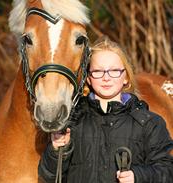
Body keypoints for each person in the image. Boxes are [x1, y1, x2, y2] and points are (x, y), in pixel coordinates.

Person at [38, 36, 173, 183]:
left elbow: (166, 172)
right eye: (98, 71)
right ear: (89, 78)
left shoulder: (149, 123)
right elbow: (49, 175)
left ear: (126, 76)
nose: (106, 78)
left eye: (114, 70)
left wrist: (138, 176)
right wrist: (58, 151)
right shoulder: (71, 122)